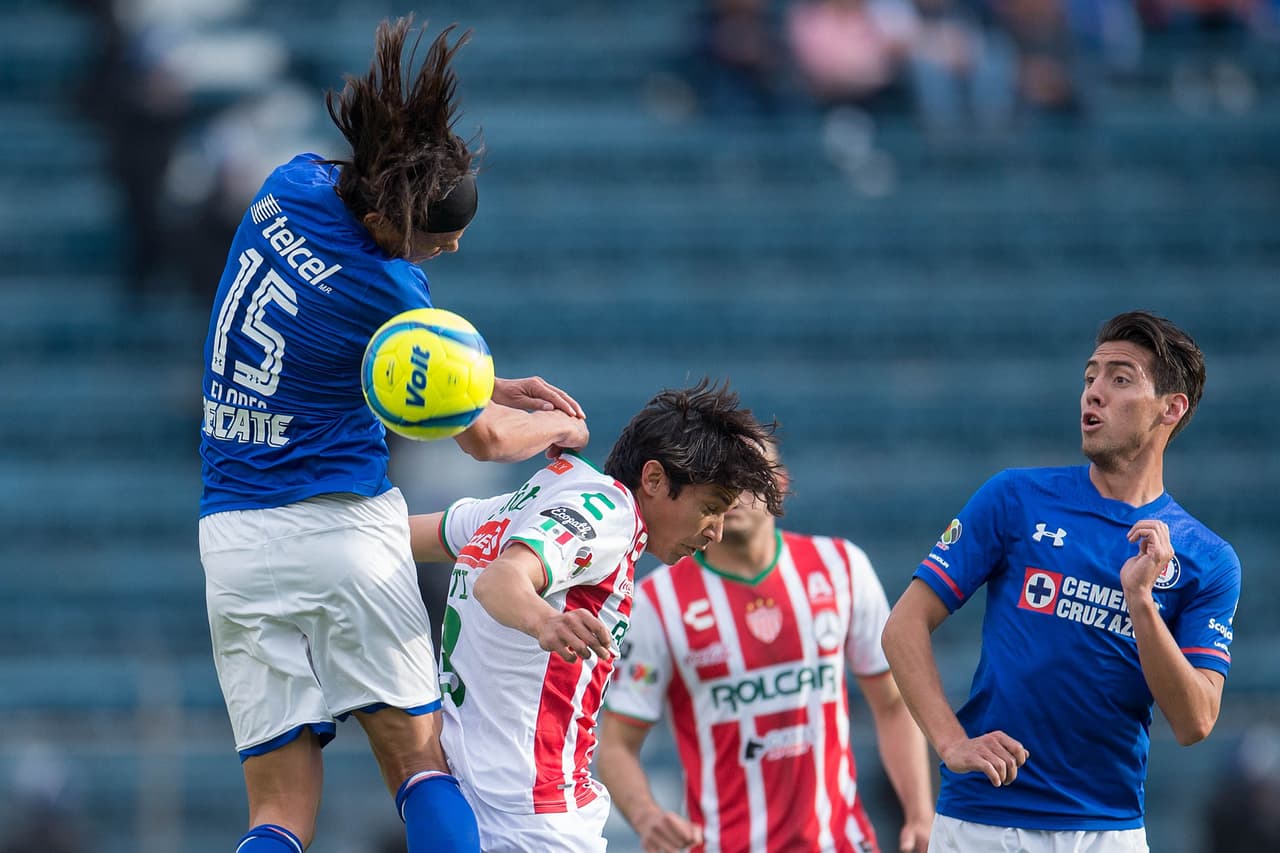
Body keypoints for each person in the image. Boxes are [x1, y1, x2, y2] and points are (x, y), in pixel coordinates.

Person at [197, 18, 589, 853]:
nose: (441, 253)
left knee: (276, 813)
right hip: (342, 526)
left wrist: (480, 374)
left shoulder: (290, 185)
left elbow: (361, 343)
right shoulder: (393, 286)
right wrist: (557, 422)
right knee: (418, 762)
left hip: (230, 536)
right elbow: (483, 442)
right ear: (389, 217)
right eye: (434, 240)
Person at [881, 310, 1241, 852]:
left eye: (1120, 379)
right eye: (1090, 376)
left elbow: (1194, 721)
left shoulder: (1206, 558)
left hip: (1108, 829)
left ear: (1172, 408)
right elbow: (902, 627)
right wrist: (950, 741)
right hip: (983, 821)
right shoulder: (1015, 498)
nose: (1093, 393)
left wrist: (1141, 601)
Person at [407, 381, 785, 852]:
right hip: (534, 817)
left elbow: (397, 538)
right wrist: (546, 621)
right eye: (710, 508)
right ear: (654, 479)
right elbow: (500, 581)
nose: (715, 532)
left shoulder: (537, 497)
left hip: (477, 798)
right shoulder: (612, 514)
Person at [597, 441, 935, 853]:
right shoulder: (657, 603)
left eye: (748, 476)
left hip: (840, 843)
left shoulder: (842, 567)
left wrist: (919, 813)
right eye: (721, 479)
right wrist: (647, 816)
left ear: (779, 484)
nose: (735, 490)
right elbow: (616, 746)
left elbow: (893, 704)